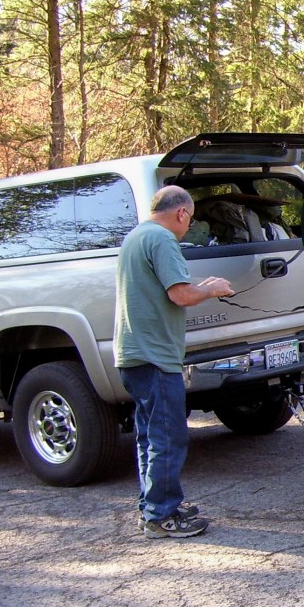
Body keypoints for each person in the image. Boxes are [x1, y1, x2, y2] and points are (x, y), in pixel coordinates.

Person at [114, 186, 234, 539]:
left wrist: (204, 284)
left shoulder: (137, 236)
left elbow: (167, 288)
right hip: (155, 355)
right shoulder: (163, 239)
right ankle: (161, 516)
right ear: (181, 213)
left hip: (133, 353)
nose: (189, 224)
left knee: (149, 436)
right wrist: (212, 289)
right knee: (168, 436)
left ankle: (153, 503)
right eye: (191, 217)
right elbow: (179, 294)